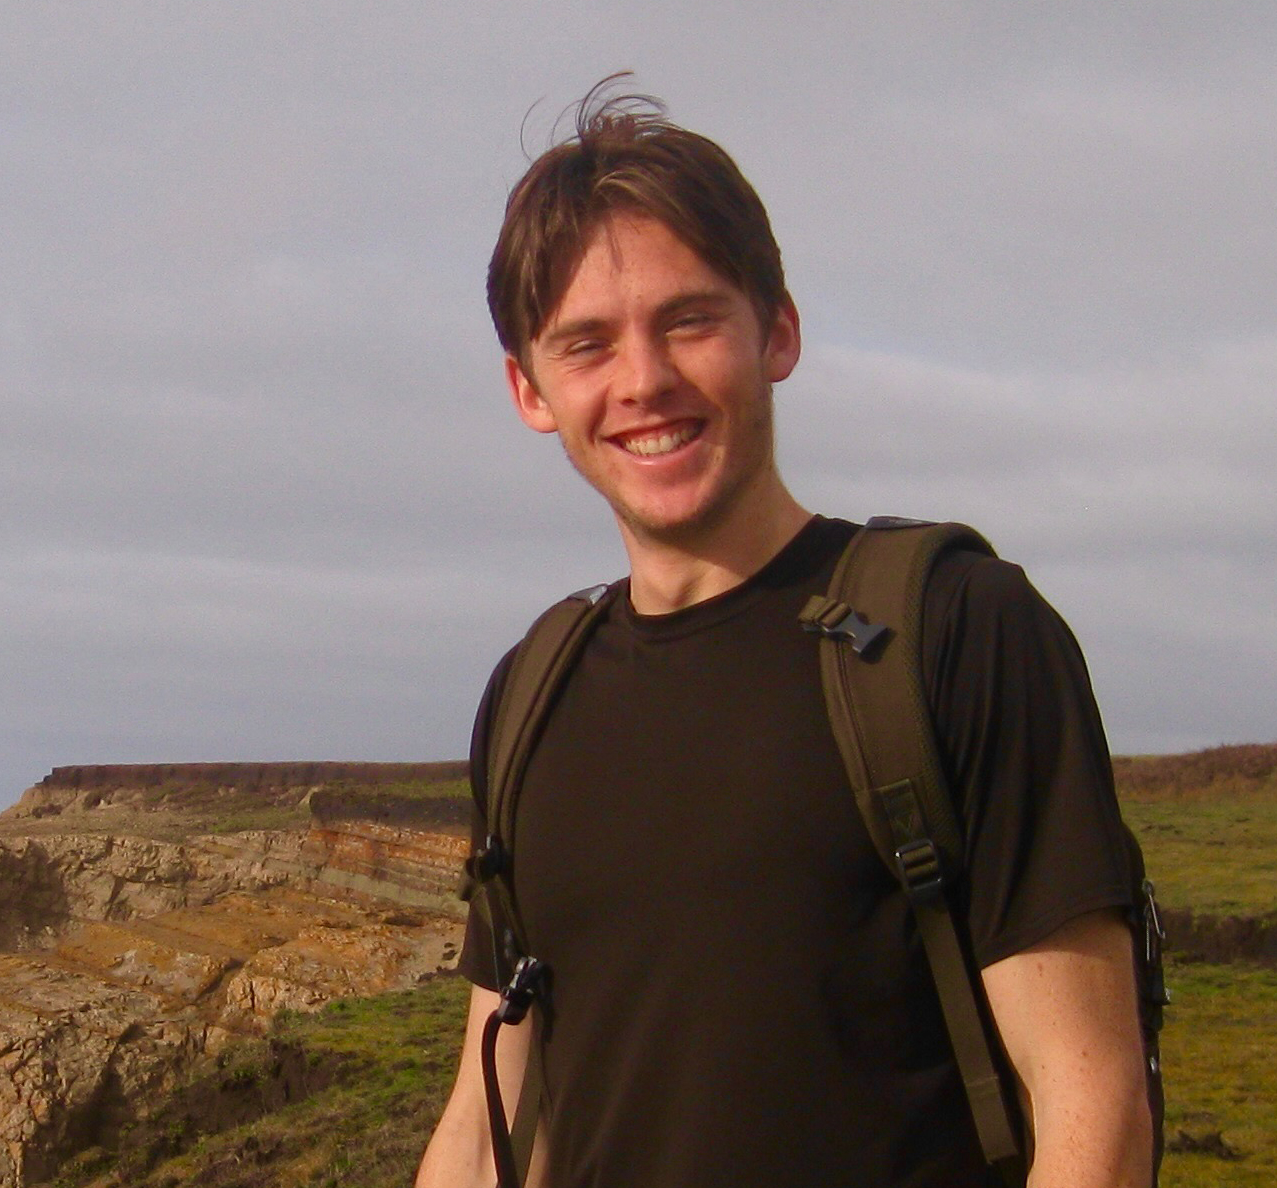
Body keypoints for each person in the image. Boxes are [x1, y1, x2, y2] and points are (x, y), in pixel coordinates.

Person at [417, 77, 1152, 1188]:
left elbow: (1090, 1105)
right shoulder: (533, 692)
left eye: (688, 320)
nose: (644, 382)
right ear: (529, 390)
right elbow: (488, 1124)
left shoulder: (954, 629)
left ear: (778, 332)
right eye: (586, 346)